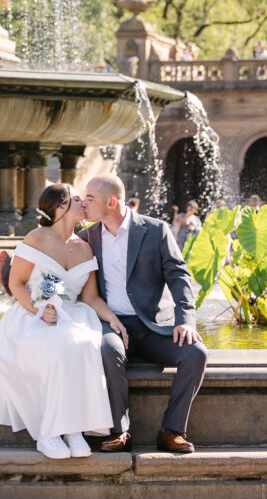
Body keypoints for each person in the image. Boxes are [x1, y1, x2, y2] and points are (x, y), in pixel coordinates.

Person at [0, 183, 127, 459]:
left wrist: (113, 319)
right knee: (57, 347)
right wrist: (38, 308)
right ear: (61, 207)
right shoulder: (35, 238)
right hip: (32, 313)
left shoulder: (85, 247)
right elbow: (17, 284)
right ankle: (49, 433)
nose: (84, 203)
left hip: (74, 313)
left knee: (85, 344)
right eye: (77, 199)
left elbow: (91, 298)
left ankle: (74, 430)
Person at [79, 174, 207, 454]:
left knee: (196, 353)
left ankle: (171, 431)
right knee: (108, 350)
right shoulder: (86, 237)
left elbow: (179, 277)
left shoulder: (156, 230)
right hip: (112, 325)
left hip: (154, 327)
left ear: (111, 203)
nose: (83, 204)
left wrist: (185, 320)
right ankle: (120, 431)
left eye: (89, 198)